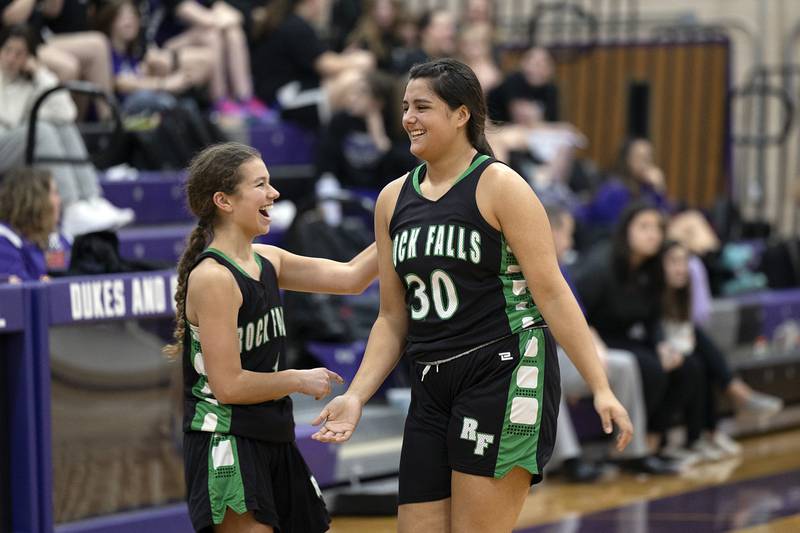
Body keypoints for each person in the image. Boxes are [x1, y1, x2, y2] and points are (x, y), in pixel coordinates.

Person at [312, 59, 632, 532]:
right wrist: (357, 395)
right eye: (405, 107)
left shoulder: (500, 186)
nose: (408, 119)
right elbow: (392, 318)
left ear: (462, 114)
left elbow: (554, 294)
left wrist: (601, 386)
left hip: (502, 370)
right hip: (430, 380)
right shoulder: (391, 200)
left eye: (423, 106)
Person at [163, 142, 377, 532]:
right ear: (224, 201)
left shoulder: (269, 259)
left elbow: (352, 278)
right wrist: (298, 378)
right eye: (260, 184)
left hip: (272, 433)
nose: (274, 193)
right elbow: (228, 385)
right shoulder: (214, 277)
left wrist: (410, 217)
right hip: (226, 438)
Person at [545, 203, 679, 478]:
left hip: (566, 352)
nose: (570, 242)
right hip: (537, 352)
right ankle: (569, 461)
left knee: (625, 364)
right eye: (567, 234)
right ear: (551, 231)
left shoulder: (562, 269)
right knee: (546, 367)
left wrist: (596, 349)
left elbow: (580, 319)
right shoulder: (542, 267)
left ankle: (630, 452)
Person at [0, 24, 134, 237]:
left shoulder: (30, 80)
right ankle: (70, 207)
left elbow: (66, 113)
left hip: (15, 141)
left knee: (61, 125)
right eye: (8, 51)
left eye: (20, 53)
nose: (12, 58)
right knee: (42, 129)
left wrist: (40, 74)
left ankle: (91, 198)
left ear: (29, 57)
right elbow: (9, 118)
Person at [660, 240, 782, 460]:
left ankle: (702, 436)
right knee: (697, 360)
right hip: (659, 354)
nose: (681, 268)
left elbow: (689, 328)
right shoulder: (653, 294)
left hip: (678, 350)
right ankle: (736, 396)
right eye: (673, 262)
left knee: (701, 359)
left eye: (684, 262)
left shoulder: (682, 292)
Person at [0, 166, 69, 283]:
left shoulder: (52, 238)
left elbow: (66, 274)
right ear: (33, 201)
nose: (59, 201)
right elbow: (17, 292)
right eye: (54, 193)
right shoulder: (4, 241)